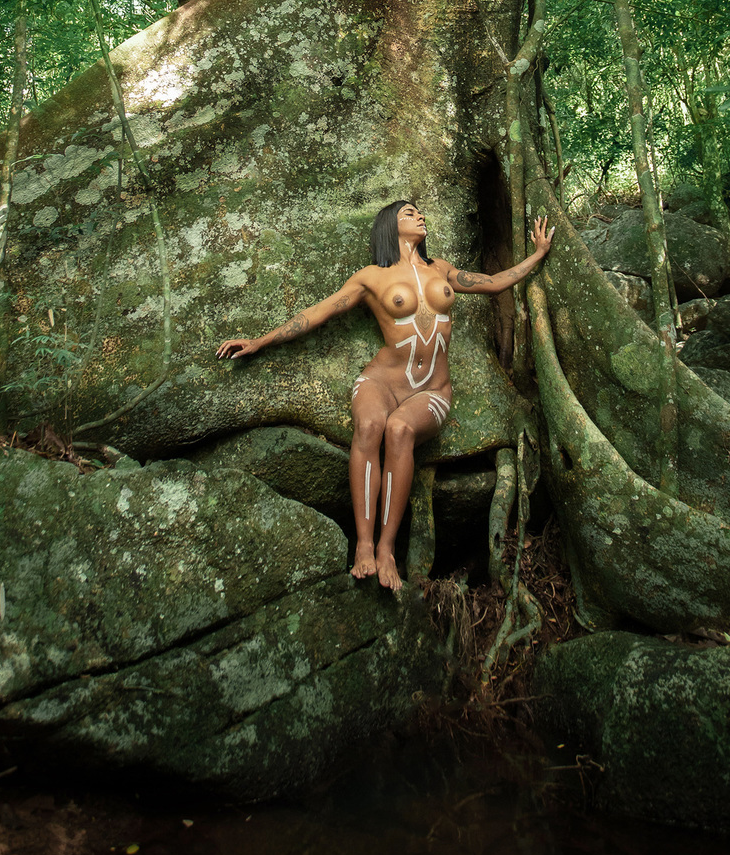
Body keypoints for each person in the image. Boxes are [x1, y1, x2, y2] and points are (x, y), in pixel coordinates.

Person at [216, 200, 555, 591]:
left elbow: (494, 283)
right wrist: (261, 340)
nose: (420, 216)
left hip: (432, 391)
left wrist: (538, 253)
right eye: (409, 213)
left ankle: (386, 550)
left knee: (398, 431)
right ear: (389, 225)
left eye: (421, 211)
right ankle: (363, 545)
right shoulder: (371, 278)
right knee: (373, 424)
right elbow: (317, 313)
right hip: (380, 382)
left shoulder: (441, 269)